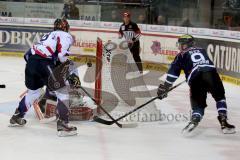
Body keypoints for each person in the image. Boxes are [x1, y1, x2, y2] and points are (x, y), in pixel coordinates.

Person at [9, 18, 81, 137]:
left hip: (31, 63)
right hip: (44, 63)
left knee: (33, 93)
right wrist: (70, 73)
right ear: (66, 28)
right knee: (63, 93)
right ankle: (63, 126)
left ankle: (17, 117)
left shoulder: (47, 35)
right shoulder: (66, 35)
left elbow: (26, 55)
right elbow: (62, 56)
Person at [157, 34, 236, 134]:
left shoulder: (180, 55)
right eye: (180, 44)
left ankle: (195, 119)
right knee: (220, 98)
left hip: (196, 78)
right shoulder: (202, 50)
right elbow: (205, 64)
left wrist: (166, 86)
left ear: (189, 44)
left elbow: (173, 73)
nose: (181, 47)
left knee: (198, 104)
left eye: (183, 45)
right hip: (212, 75)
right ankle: (224, 121)